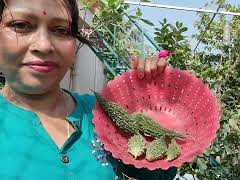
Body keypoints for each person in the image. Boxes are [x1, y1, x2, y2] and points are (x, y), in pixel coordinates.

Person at [0, 0, 177, 179]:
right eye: (20, 25)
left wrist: (154, 110)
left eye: (61, 30)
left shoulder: (102, 115)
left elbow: (159, 174)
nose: (44, 45)